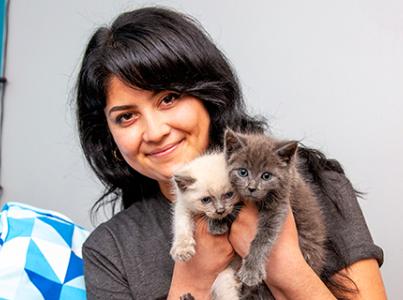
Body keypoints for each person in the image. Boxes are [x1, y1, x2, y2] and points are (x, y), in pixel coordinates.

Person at [76, 7, 386, 300]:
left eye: (169, 98)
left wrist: (287, 267)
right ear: (108, 136)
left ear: (207, 97)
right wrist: (192, 279)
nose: (155, 131)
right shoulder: (110, 252)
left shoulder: (318, 185)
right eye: (126, 117)